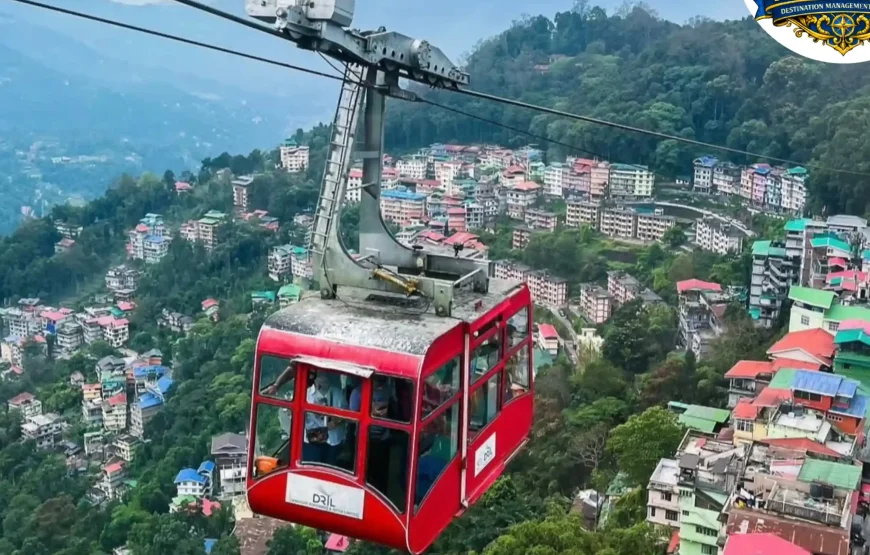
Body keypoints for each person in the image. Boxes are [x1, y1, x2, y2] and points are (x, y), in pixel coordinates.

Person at [303, 371, 348, 467]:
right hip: (313, 439)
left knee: (330, 467)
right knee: (312, 467)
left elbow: (348, 415)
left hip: (333, 439)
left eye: (325, 377)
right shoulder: (306, 394)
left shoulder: (338, 393)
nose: (323, 379)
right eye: (321, 377)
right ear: (315, 379)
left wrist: (337, 422)